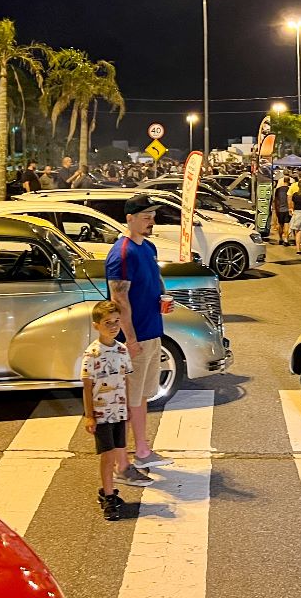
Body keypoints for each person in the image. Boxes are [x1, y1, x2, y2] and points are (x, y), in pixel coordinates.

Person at [106, 194, 174, 479]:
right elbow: (119, 300)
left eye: (153, 216)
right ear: (130, 219)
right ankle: (122, 466)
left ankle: (143, 450)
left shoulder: (147, 248)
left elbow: (151, 284)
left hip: (151, 333)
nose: (151, 222)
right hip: (132, 340)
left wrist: (161, 299)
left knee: (141, 397)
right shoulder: (122, 253)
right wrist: (130, 340)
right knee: (124, 401)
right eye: (145, 217)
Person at [82, 299, 136, 520]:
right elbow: (87, 385)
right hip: (102, 413)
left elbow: (126, 379)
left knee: (116, 451)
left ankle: (108, 490)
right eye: (107, 322)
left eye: (116, 321)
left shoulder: (122, 350)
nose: (113, 326)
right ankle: (108, 496)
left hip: (119, 410)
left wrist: (128, 406)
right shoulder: (93, 353)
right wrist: (89, 415)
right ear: (96, 325)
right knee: (108, 456)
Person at [272, 175, 291, 245]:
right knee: (286, 224)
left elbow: (275, 200)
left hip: (280, 209)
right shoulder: (290, 189)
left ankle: (280, 238)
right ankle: (286, 239)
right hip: (287, 209)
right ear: (289, 181)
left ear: (283, 181)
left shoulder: (278, 190)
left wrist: (275, 208)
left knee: (280, 224)